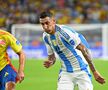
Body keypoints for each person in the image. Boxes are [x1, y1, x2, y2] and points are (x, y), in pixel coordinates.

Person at [39, 11, 105, 90]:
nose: (45, 26)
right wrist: (51, 62)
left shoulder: (64, 32)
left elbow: (84, 49)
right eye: (42, 24)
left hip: (82, 70)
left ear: (53, 21)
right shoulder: (45, 36)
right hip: (65, 72)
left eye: (47, 23)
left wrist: (94, 71)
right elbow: (52, 57)